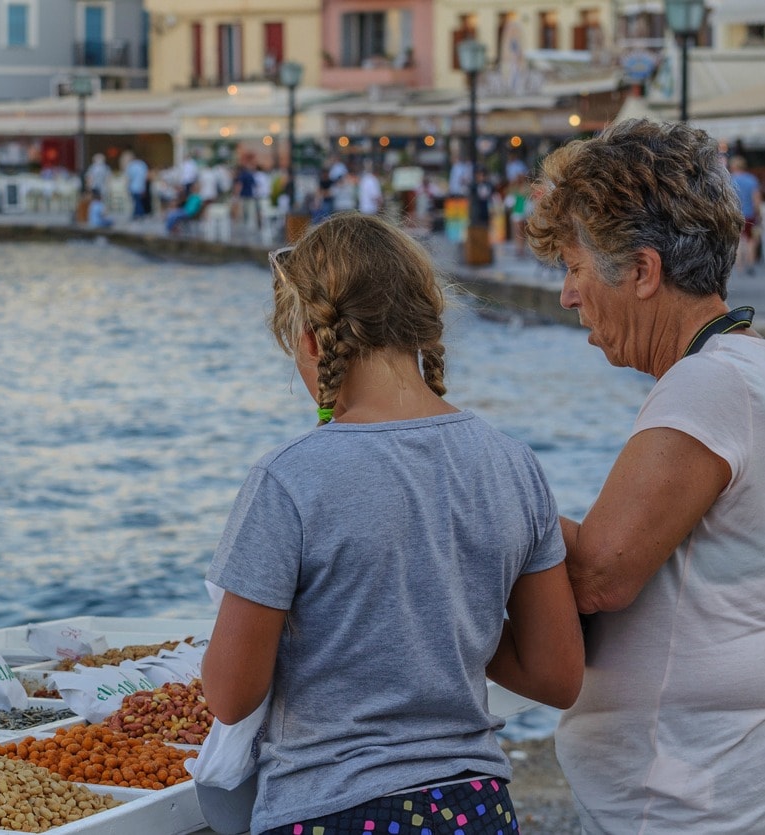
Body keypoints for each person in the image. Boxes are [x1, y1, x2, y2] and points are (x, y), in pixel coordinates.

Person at [200, 212, 583, 835]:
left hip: (335, 809)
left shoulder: (290, 477)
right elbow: (555, 675)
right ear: (423, 324)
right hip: (476, 808)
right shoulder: (513, 463)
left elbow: (230, 694)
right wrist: (442, 622)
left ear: (311, 342)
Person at [526, 118, 765, 833]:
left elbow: (599, 575)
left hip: (686, 801)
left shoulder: (708, 384)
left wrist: (479, 491)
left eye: (573, 266)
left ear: (640, 271)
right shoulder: (743, 370)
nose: (568, 295)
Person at [729, 155, 761, 275]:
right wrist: (757, 213)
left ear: (733, 166)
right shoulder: (751, 179)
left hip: (734, 214)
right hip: (749, 214)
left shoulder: (729, 180)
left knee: (737, 240)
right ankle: (750, 264)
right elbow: (756, 199)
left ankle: (739, 266)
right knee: (750, 240)